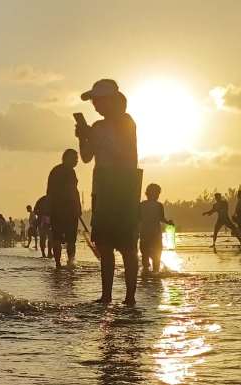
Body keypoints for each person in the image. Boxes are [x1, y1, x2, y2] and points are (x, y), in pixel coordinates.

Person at [76, 79, 142, 305]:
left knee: (127, 245)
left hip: (123, 185)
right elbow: (85, 157)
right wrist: (82, 137)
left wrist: (93, 137)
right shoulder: (97, 126)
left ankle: (130, 296)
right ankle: (106, 295)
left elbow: (123, 154)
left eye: (98, 100)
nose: (95, 105)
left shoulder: (126, 122)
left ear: (111, 100)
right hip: (102, 185)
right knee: (104, 245)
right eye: (94, 101)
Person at [47, 149, 82, 268]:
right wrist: (77, 207)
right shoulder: (69, 172)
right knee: (70, 240)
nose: (77, 161)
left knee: (57, 237)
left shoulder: (55, 170)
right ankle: (70, 262)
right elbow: (73, 191)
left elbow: (49, 192)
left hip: (56, 210)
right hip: (68, 210)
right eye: (75, 158)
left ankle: (58, 264)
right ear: (67, 158)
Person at [139, 184, 172, 274]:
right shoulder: (144, 205)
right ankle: (152, 274)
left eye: (158, 193)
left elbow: (161, 218)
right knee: (151, 255)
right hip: (150, 233)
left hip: (151, 233)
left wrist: (168, 222)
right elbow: (138, 218)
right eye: (156, 193)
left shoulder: (143, 205)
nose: (157, 195)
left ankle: (149, 275)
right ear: (149, 193)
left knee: (148, 255)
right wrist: (168, 222)